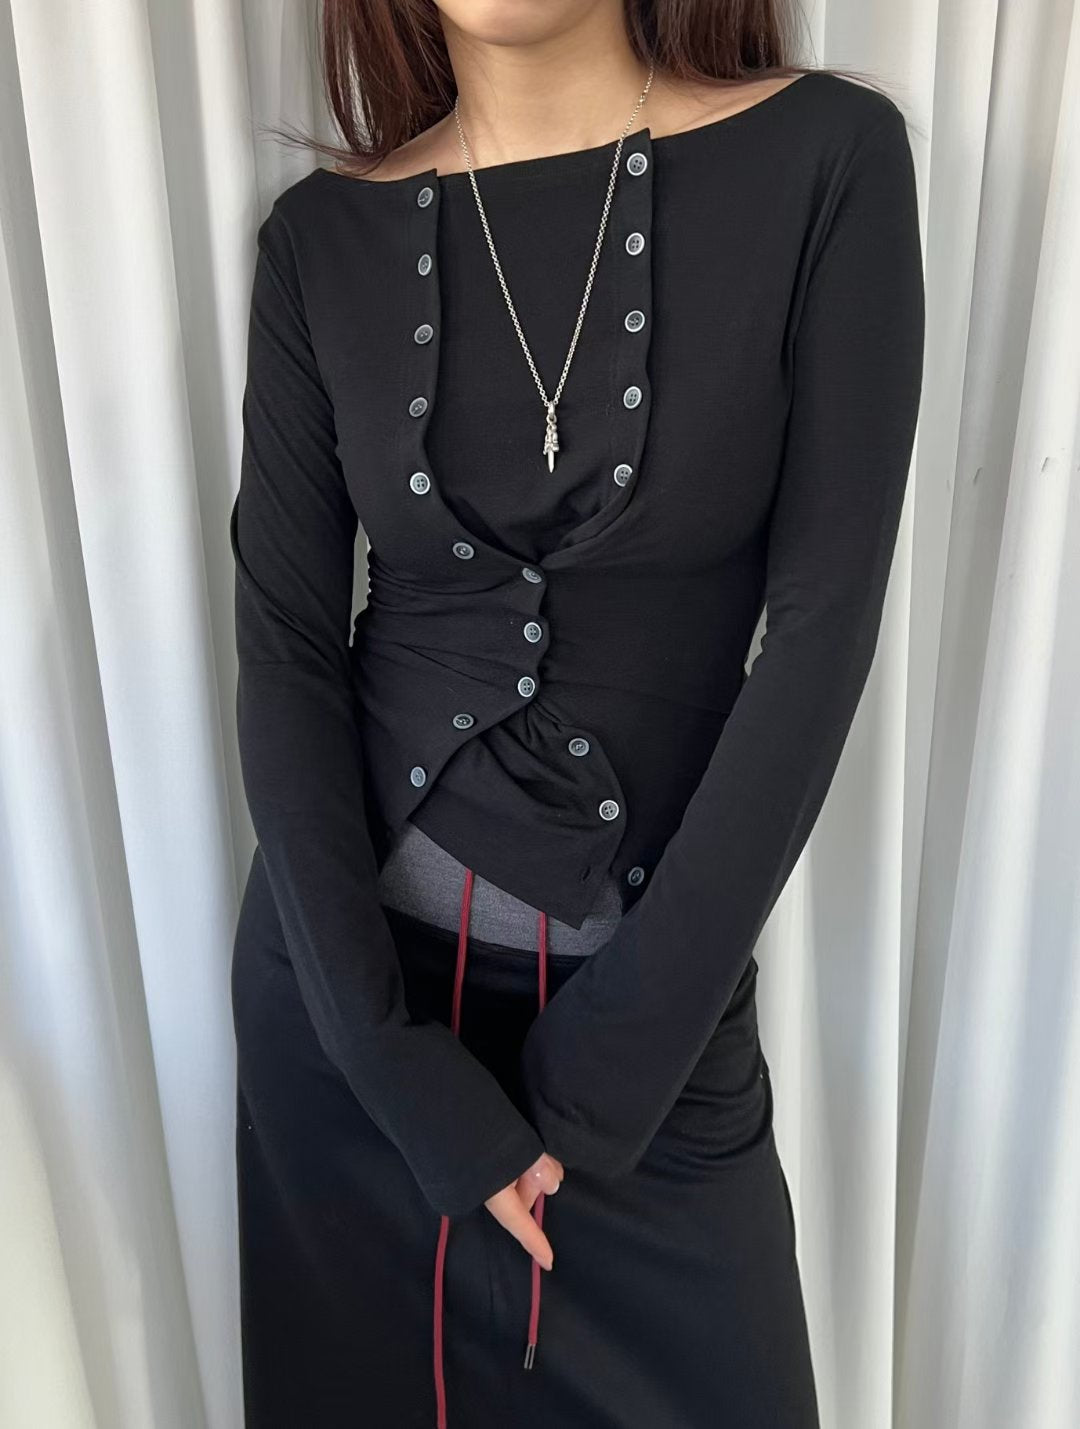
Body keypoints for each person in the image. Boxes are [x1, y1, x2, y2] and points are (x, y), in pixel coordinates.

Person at [228, 1, 925, 1424]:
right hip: (349, 1032)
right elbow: (286, 648)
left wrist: (609, 1075)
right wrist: (387, 1061)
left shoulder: (830, 161)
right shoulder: (315, 241)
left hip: (650, 1051)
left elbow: (823, 631)